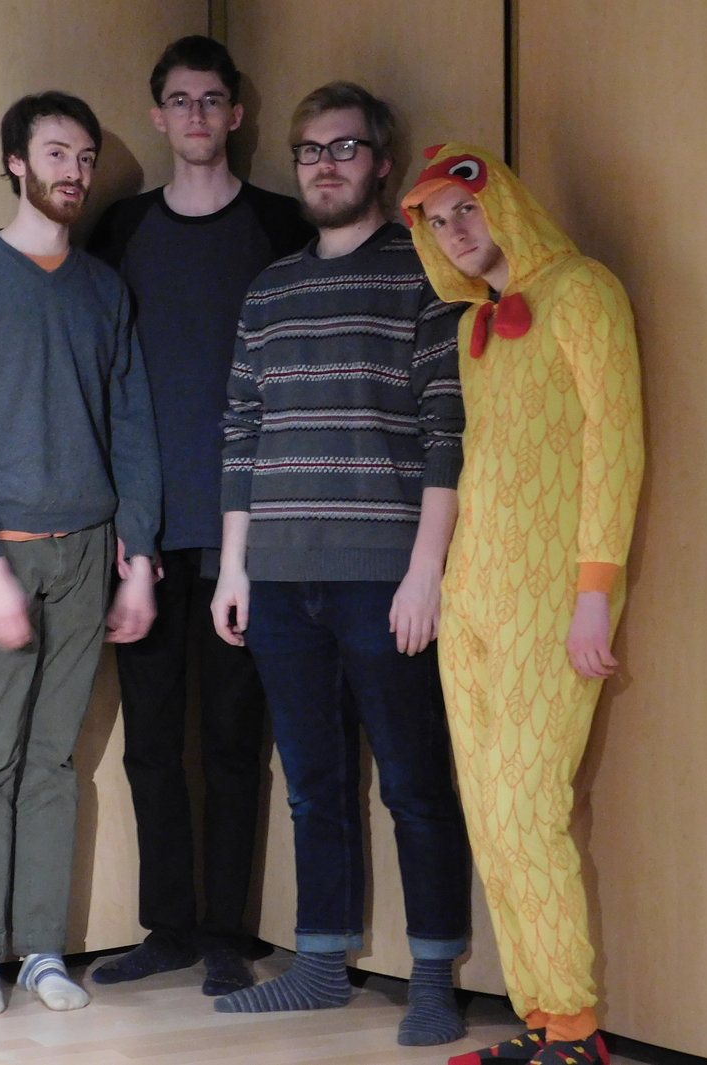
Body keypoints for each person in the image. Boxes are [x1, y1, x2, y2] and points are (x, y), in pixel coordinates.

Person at [210, 82, 472, 1046]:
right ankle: (320, 965)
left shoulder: (424, 274)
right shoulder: (270, 289)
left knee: (414, 782)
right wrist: (234, 568)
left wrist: (426, 571)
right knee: (313, 782)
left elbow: (448, 431)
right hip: (279, 577)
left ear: (382, 164)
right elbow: (241, 432)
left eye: (345, 148)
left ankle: (435, 977)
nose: (325, 164)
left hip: (384, 577)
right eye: (311, 150)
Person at [0, 91, 161, 1016]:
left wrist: (140, 557)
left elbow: (133, 428)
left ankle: (43, 949)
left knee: (56, 760)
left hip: (90, 549)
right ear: (16, 161)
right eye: (56, 152)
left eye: (85, 156)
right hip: (0, 553)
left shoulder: (103, 289)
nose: (75, 171)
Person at [401, 143, 644, 1065]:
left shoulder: (585, 291)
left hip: (550, 601)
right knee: (490, 817)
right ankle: (540, 1018)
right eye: (436, 221)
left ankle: (577, 1029)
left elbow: (616, 449)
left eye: (466, 208)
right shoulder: (476, 327)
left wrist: (594, 596)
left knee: (528, 808)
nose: (455, 230)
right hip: (473, 600)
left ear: (503, 203)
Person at [86, 35, 311, 997]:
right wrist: (123, 532)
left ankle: (227, 931)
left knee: (230, 740)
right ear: (157, 115)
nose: (195, 116)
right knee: (148, 743)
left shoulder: (278, 223)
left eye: (211, 100)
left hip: (244, 532)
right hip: (144, 531)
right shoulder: (122, 228)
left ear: (236, 114)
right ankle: (168, 926)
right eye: (178, 101)